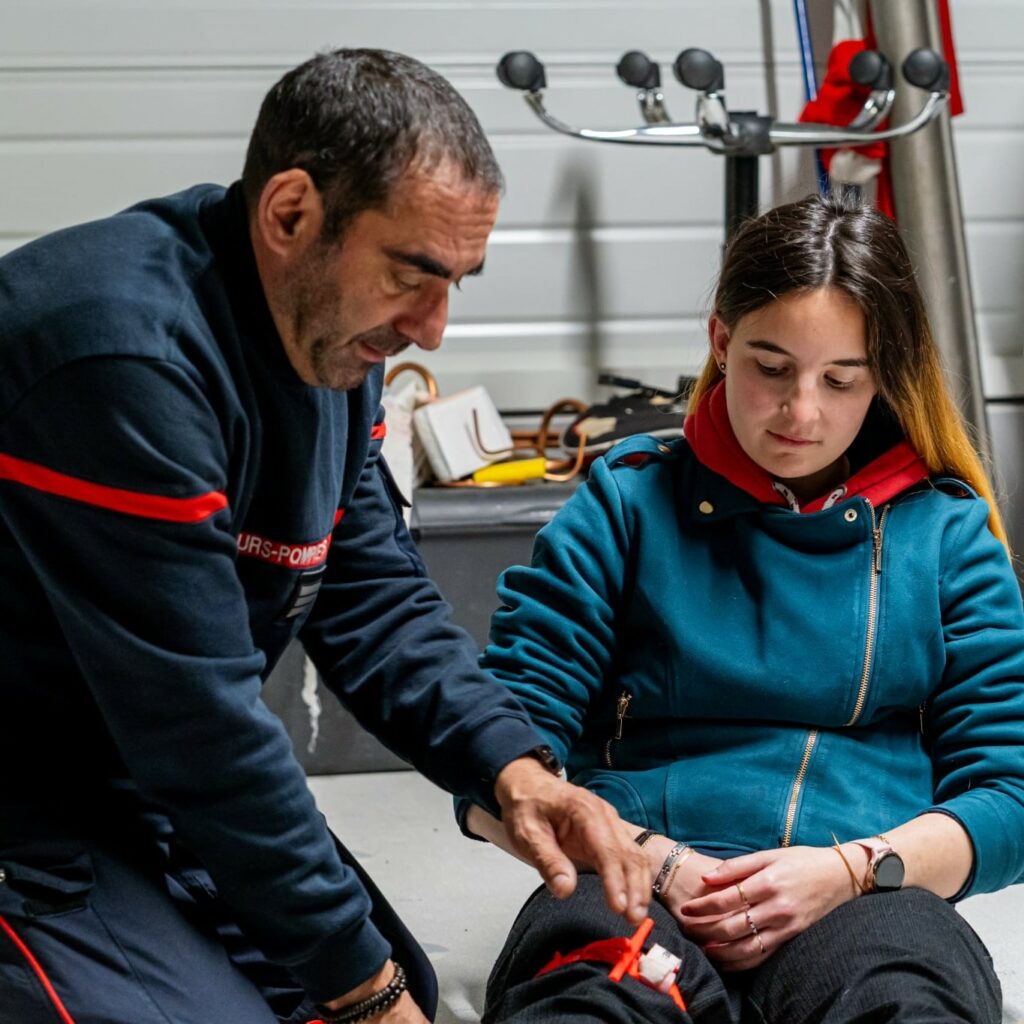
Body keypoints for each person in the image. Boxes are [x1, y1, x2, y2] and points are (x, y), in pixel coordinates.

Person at [0, 48, 651, 1024]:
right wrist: (365, 994)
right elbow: (202, 730)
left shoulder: (332, 339)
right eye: (413, 276)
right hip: (31, 793)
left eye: (454, 285)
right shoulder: (117, 360)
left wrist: (510, 767)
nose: (431, 329)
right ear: (291, 213)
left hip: (133, 764)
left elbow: (371, 595)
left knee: (387, 977)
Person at [463, 192, 1024, 1023]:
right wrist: (651, 863)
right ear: (722, 341)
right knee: (587, 1001)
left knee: (905, 1005)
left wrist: (851, 871)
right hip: (630, 879)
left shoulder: (947, 534)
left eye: (842, 379)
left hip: (867, 895)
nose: (803, 412)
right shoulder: (626, 502)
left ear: (885, 376)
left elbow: (1010, 793)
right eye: (771, 367)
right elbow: (495, 762)